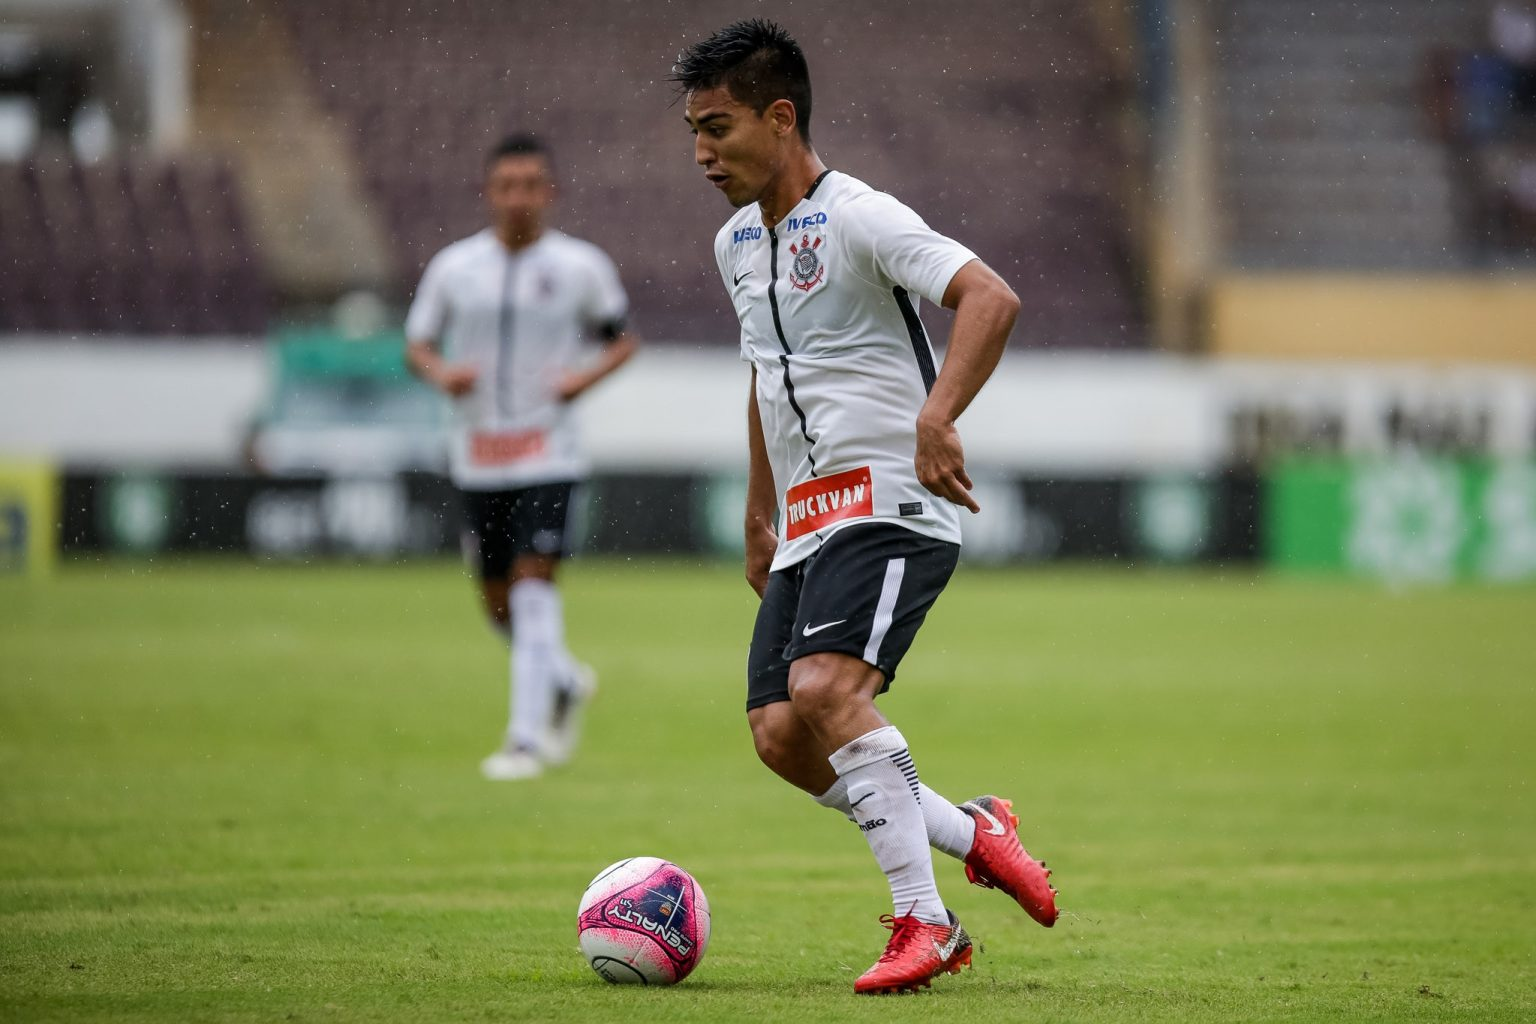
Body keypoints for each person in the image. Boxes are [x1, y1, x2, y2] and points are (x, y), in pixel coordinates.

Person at [673, 19, 1059, 995]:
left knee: (826, 693)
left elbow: (990, 297)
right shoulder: (733, 244)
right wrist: (762, 511)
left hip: (891, 499)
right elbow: (767, 377)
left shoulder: (861, 215)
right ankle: (975, 831)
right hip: (808, 519)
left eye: (716, 126)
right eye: (692, 131)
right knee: (780, 734)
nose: (700, 152)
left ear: (781, 115)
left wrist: (939, 414)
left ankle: (926, 924)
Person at [405, 134, 638, 781]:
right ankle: (562, 679)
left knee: (535, 586)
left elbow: (622, 341)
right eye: (507, 185)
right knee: (498, 604)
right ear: (490, 191)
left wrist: (578, 382)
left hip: (548, 453)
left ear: (550, 192)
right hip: (478, 456)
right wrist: (441, 372)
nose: (518, 198)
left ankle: (524, 741)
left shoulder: (580, 267)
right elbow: (416, 344)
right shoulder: (455, 268)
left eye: (531, 185)